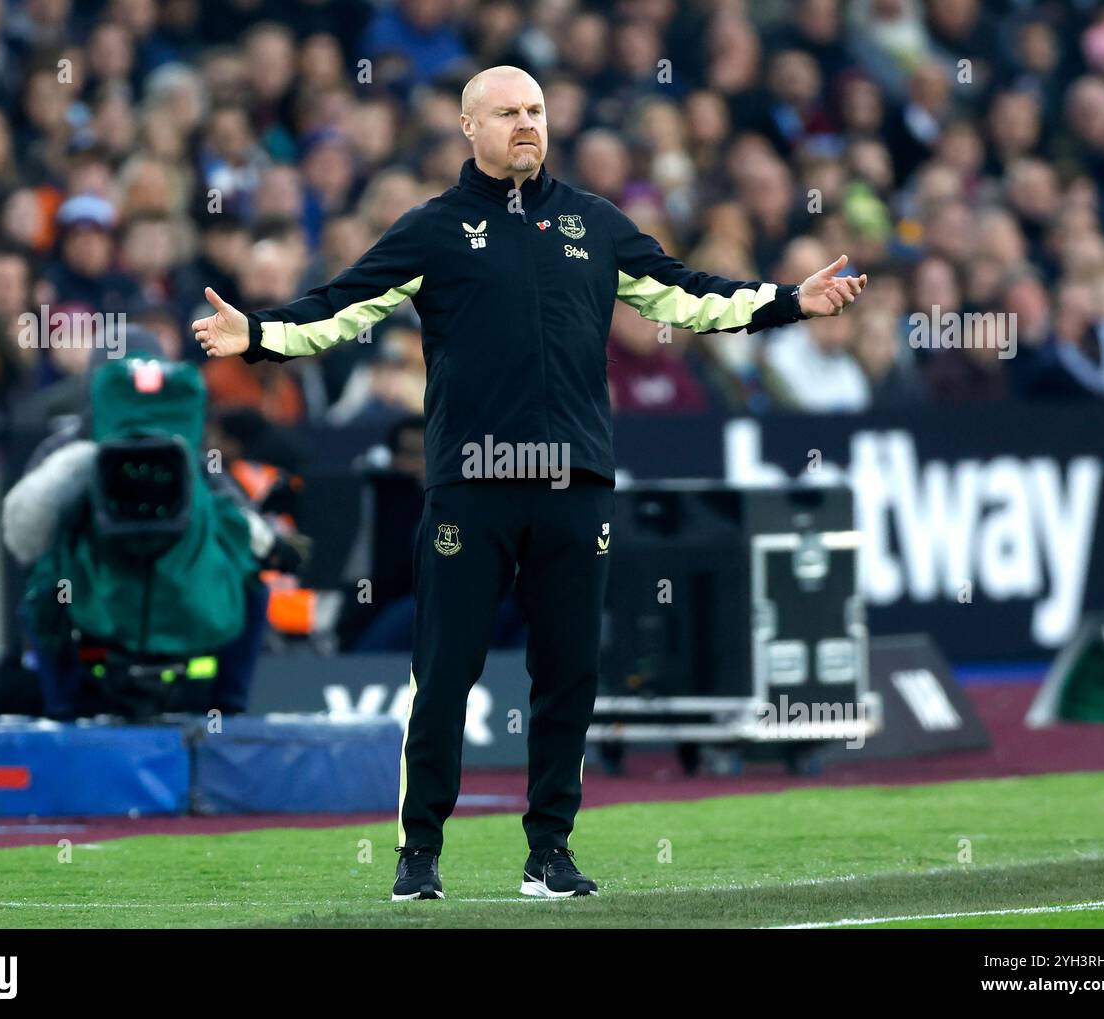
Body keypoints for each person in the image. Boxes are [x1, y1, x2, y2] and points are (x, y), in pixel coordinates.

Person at [193, 65, 865, 901]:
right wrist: (255, 332)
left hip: (576, 484)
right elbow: (341, 307)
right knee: (443, 671)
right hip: (471, 488)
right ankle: (419, 857)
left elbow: (688, 296)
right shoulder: (432, 231)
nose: (526, 124)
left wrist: (790, 301)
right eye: (507, 112)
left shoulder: (595, 222)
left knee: (571, 671)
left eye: (537, 111)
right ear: (468, 128)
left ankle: (549, 852)